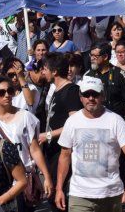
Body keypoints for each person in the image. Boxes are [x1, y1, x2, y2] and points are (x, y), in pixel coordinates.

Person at [54, 76, 125, 212]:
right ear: (81, 97)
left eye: (95, 94)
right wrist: (59, 189)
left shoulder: (115, 120)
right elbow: (64, 156)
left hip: (110, 195)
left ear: (103, 96)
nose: (91, 98)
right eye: (86, 94)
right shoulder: (72, 122)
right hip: (80, 195)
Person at [0, 76, 54, 211]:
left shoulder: (26, 117)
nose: (7, 95)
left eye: (10, 91)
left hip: (23, 182)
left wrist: (46, 176)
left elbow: (34, 149)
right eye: (1, 92)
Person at [38, 52, 82, 207]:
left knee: (57, 195)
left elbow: (75, 123)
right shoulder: (56, 90)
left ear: (55, 71)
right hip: (52, 150)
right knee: (53, 196)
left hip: (63, 151)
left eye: (45, 69)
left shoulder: (71, 91)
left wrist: (49, 135)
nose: (42, 72)